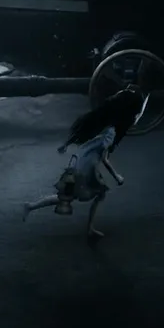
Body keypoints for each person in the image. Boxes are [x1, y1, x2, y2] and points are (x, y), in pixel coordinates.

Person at [22, 86, 147, 239]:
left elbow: (85, 135)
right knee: (92, 194)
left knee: (71, 196)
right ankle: (88, 228)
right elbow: (104, 159)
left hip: (80, 163)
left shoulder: (102, 123)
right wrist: (117, 177)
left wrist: (66, 144)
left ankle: (32, 206)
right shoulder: (111, 132)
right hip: (86, 168)